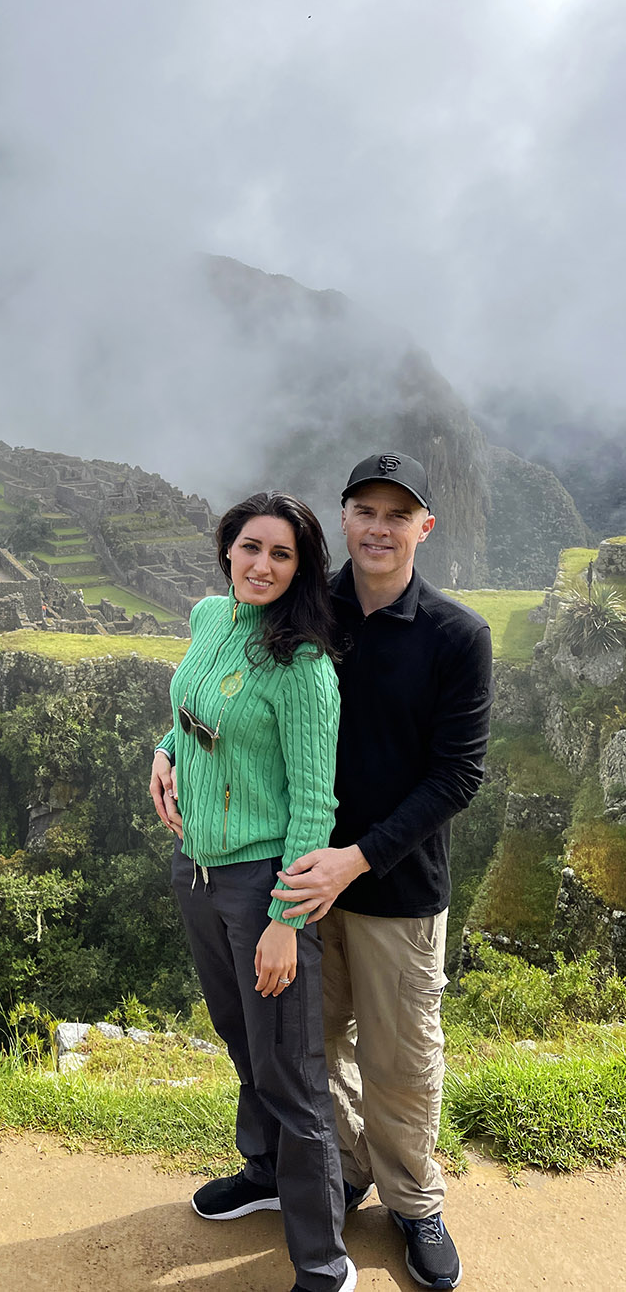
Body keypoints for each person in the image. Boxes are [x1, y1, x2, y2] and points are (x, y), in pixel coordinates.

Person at [270, 453, 492, 1291]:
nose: (379, 527)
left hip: (395, 888)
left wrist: (355, 859)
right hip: (300, 875)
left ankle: (413, 1198)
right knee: (312, 1045)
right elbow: (234, 696)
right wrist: (168, 747)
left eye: (398, 514)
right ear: (345, 517)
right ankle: (345, 1169)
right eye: (365, 510)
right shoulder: (305, 611)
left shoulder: (455, 637)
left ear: (424, 527)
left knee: (403, 1056)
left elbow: (456, 776)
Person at [149, 491, 356, 1292]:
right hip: (197, 871)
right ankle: (262, 1171)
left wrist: (282, 919)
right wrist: (163, 750)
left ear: (301, 568)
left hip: (263, 882)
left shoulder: (303, 668)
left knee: (293, 1072)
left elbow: (314, 804)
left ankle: (322, 1260)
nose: (261, 565)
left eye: (281, 554)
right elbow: (191, 705)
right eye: (250, 547)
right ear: (227, 549)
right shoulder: (210, 617)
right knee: (243, 1039)